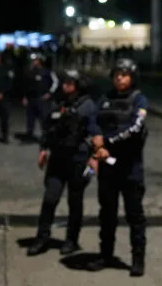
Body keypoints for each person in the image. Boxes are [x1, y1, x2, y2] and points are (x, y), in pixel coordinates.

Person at [86, 58, 149, 277]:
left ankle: (137, 259)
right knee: (107, 215)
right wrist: (96, 140)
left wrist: (107, 142)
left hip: (130, 167)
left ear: (132, 76)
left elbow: (135, 127)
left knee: (135, 216)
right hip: (108, 167)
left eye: (124, 74)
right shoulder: (105, 98)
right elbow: (92, 121)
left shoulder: (138, 100)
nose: (119, 77)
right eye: (116, 74)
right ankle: (105, 255)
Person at [27, 70, 98, 256]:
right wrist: (43, 149)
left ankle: (71, 240)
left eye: (70, 82)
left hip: (79, 160)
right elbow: (48, 128)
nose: (66, 85)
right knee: (50, 199)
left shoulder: (88, 106)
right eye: (65, 81)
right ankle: (42, 238)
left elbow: (96, 133)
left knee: (75, 201)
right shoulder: (58, 103)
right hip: (57, 158)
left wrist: (94, 160)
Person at [22, 52, 59, 143]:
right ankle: (29, 136)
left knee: (44, 119)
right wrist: (25, 97)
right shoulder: (29, 72)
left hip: (42, 99)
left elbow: (55, 82)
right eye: (33, 60)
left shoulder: (47, 72)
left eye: (36, 60)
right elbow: (26, 86)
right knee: (30, 118)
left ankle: (45, 137)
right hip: (31, 99)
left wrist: (49, 93)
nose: (34, 62)